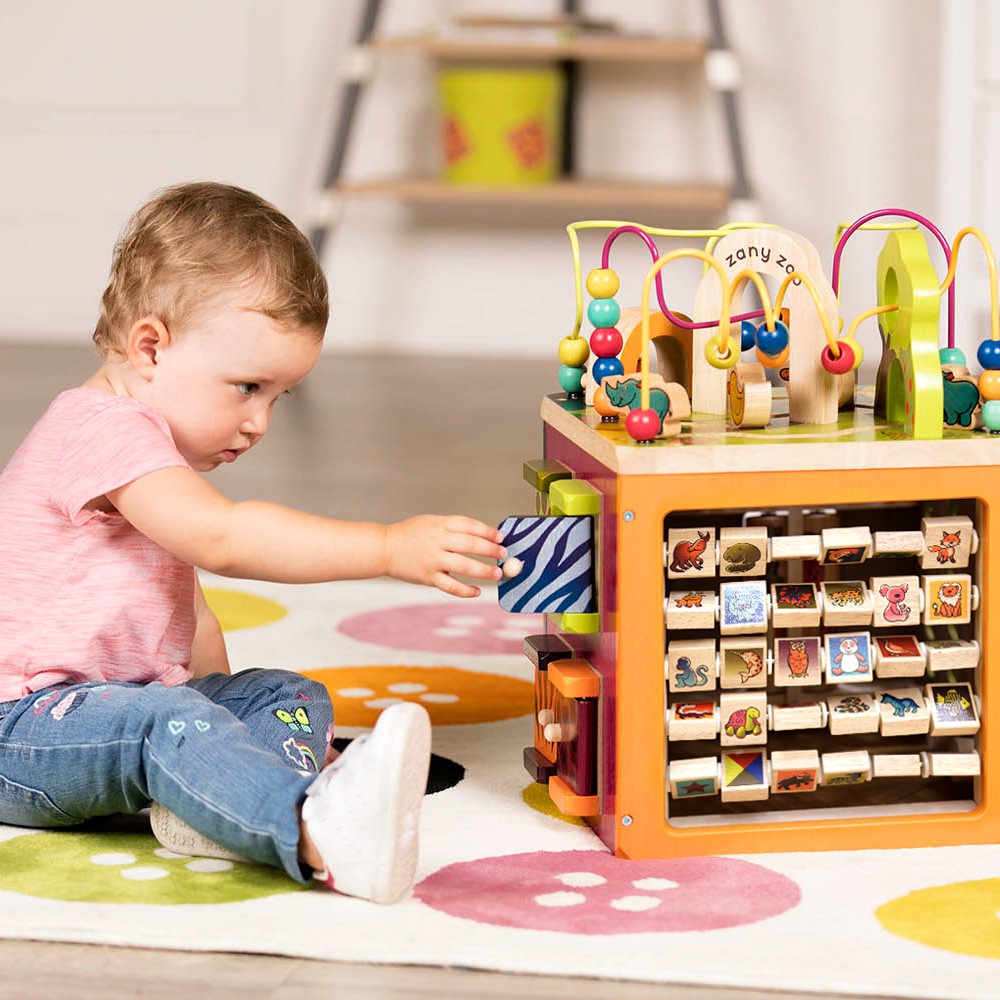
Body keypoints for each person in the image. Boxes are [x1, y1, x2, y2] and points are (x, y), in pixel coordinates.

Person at [0, 181, 506, 904]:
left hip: (126, 710)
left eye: (277, 396)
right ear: (150, 347)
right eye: (246, 387)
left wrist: (223, 711)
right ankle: (313, 831)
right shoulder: (98, 429)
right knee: (167, 719)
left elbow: (192, 617)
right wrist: (387, 547)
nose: (259, 422)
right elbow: (224, 539)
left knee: (286, 695)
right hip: (25, 730)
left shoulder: (150, 457)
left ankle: (226, 803)